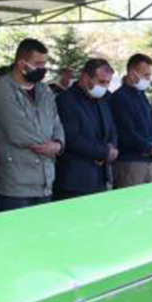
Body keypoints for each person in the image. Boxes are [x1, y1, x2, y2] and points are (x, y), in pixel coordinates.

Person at [0, 39, 65, 211]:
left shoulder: (44, 90)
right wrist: (49, 145)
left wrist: (58, 143)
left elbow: (57, 122)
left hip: (45, 182)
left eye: (44, 63)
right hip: (15, 184)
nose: (43, 68)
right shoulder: (3, 90)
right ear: (22, 63)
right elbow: (17, 130)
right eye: (38, 64)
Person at [53, 59, 118, 200]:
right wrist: (103, 152)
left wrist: (111, 147)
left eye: (108, 82)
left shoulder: (104, 99)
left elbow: (112, 128)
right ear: (86, 78)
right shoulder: (65, 100)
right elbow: (71, 138)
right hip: (74, 182)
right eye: (101, 81)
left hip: (100, 178)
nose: (105, 86)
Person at [110, 54, 152, 188]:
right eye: (146, 75)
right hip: (130, 161)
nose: (149, 80)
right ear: (132, 74)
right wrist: (149, 147)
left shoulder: (141, 95)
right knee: (130, 204)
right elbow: (125, 132)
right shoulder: (119, 98)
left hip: (148, 159)